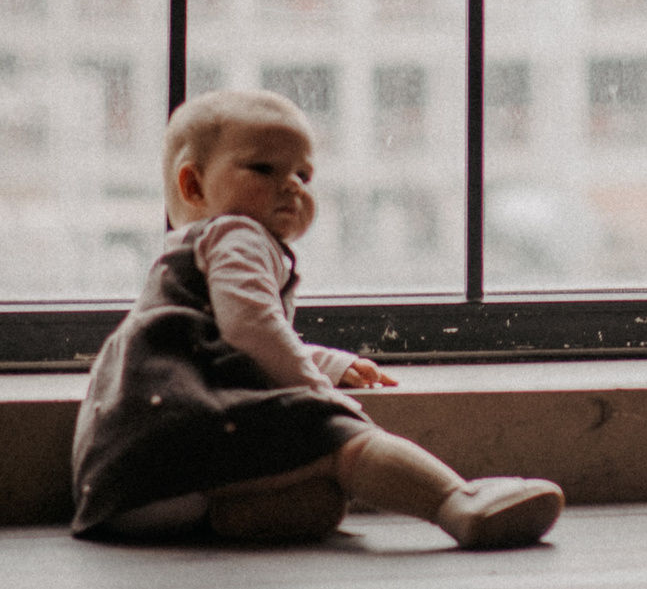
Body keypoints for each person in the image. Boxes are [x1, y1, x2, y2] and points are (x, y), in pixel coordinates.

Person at [71, 89, 566, 547]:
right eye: (264, 169)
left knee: (319, 499)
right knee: (341, 439)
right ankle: (456, 502)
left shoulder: (185, 255)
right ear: (194, 183)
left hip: (131, 484)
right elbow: (252, 328)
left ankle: (229, 515)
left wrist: (327, 361)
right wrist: (317, 388)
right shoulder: (235, 234)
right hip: (185, 436)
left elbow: (223, 336)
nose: (290, 186)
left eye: (303, 175)